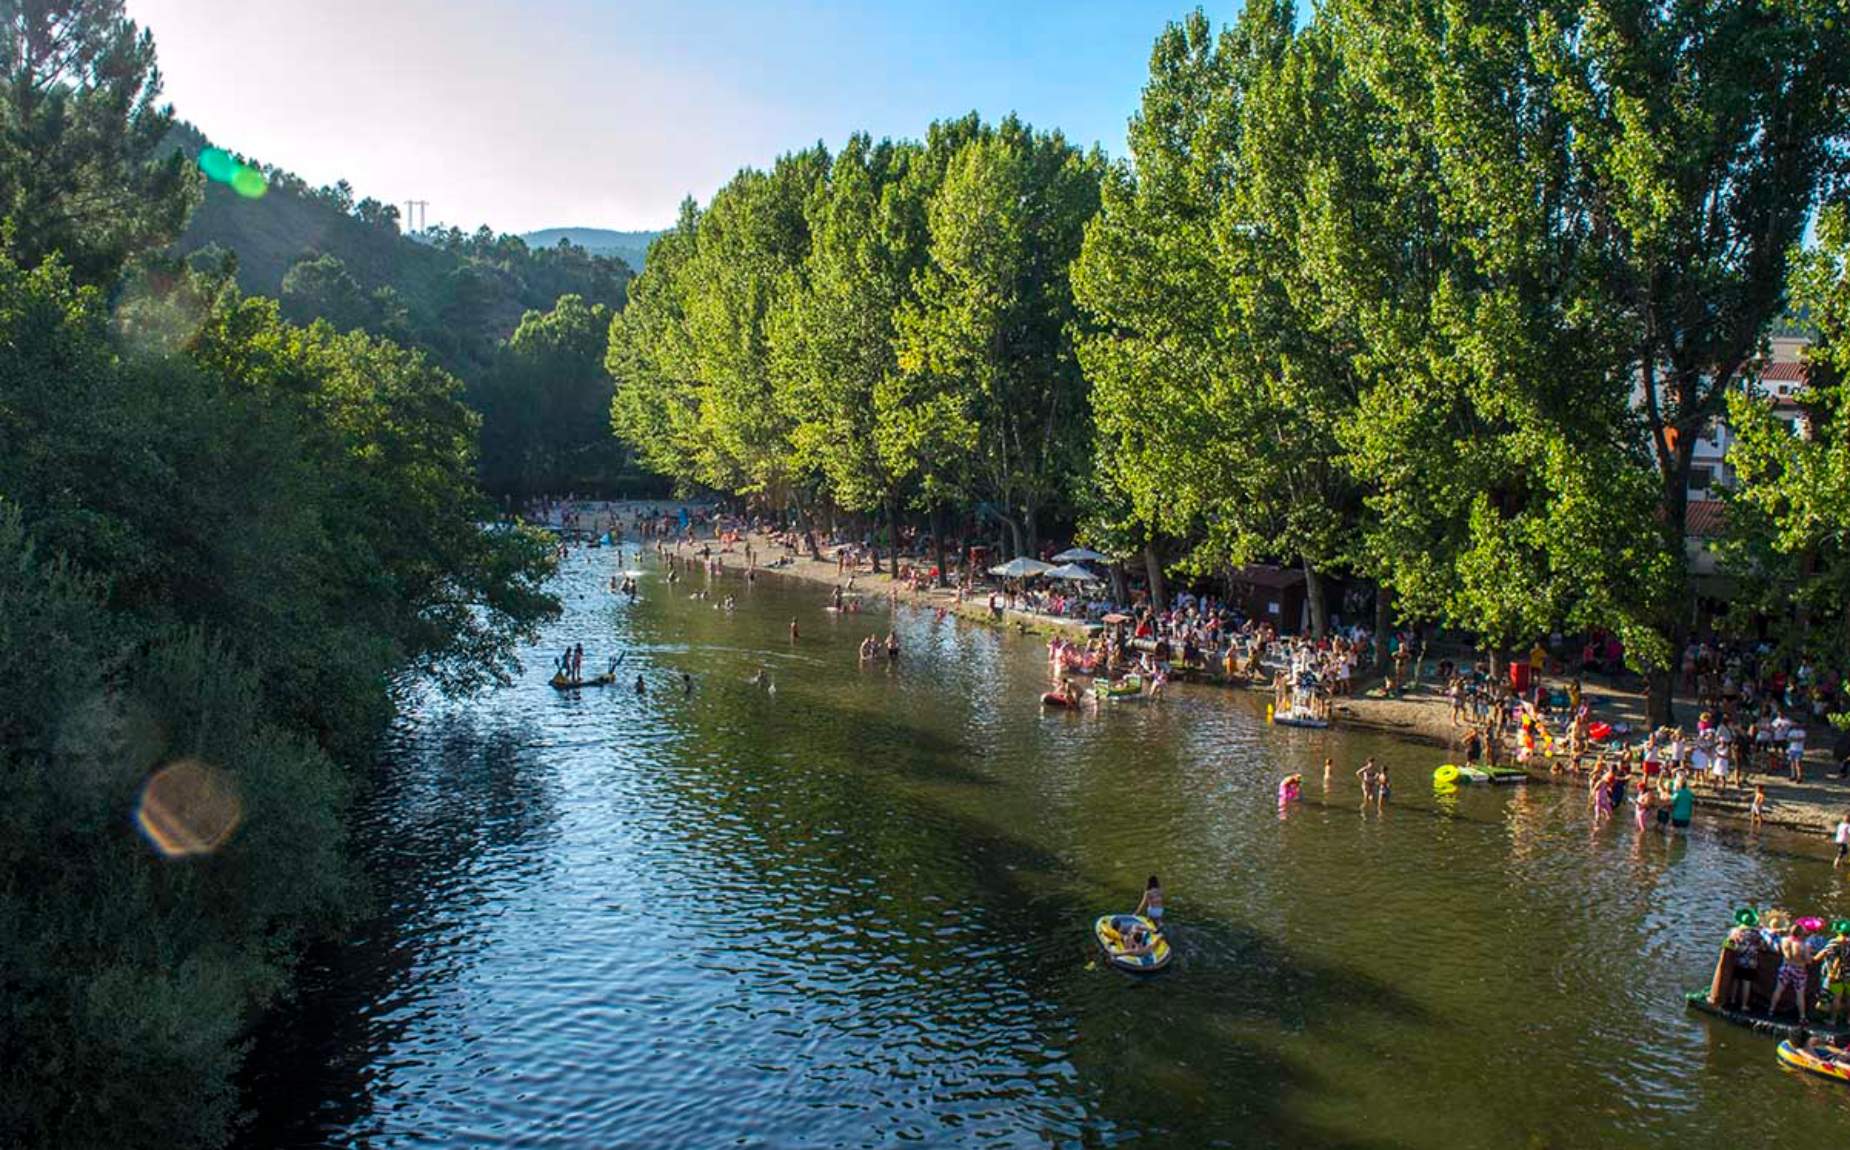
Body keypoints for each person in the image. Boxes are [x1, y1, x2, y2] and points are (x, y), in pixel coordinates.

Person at [1769, 925, 1815, 1023]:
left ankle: (1771, 1010)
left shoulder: (1784, 940)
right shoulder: (1804, 945)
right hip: (1799, 969)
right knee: (1800, 994)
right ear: (1800, 934)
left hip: (1786, 967)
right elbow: (1808, 961)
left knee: (1778, 989)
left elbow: (1776, 947)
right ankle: (1802, 1017)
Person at [1817, 926, 1850, 1028]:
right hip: (1848, 973)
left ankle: (1833, 1020)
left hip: (1836, 974)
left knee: (1836, 997)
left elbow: (1822, 956)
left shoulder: (1834, 942)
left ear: (1840, 932)